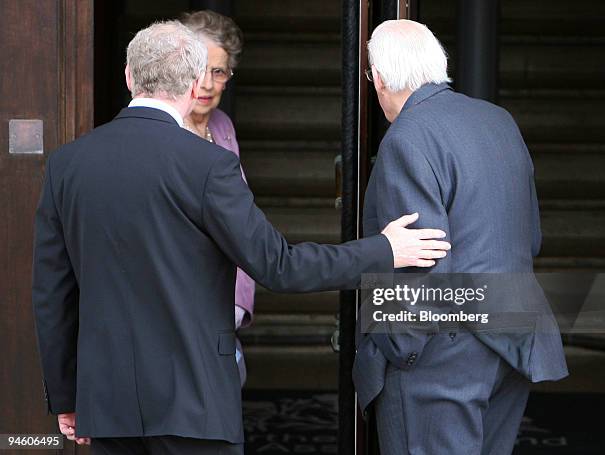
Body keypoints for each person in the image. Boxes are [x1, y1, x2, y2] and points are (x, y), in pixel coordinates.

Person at [31, 21, 451, 455]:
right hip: (193, 404)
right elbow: (279, 266)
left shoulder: (67, 164)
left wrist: (66, 396)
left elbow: (52, 294)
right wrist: (384, 250)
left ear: (128, 76)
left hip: (107, 404)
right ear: (196, 84)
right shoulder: (207, 165)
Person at [352, 20, 568, 455]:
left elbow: (420, 258)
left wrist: (398, 352)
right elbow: (531, 237)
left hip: (442, 354)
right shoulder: (498, 120)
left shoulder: (407, 136)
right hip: (514, 335)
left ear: (376, 78)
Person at [180, 10, 253, 386]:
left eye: (219, 71)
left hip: (224, 310)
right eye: (198, 69)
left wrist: (238, 305)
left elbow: (239, 219)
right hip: (179, 311)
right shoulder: (165, 129)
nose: (207, 84)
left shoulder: (223, 127)